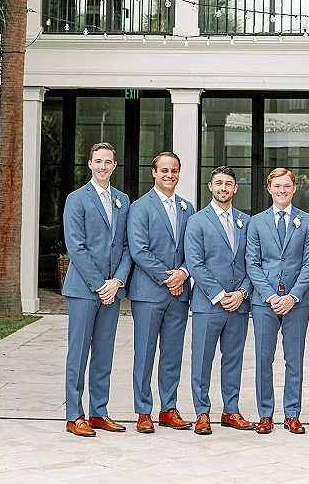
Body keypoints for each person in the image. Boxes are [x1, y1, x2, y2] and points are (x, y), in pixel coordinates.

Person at [62, 142, 131, 437]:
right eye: (98, 161)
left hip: (112, 291)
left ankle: (99, 412)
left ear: (114, 166)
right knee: (78, 354)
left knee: (104, 354)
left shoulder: (122, 200)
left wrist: (117, 281)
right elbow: (75, 247)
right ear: (90, 164)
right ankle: (74, 415)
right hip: (83, 289)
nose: (103, 166)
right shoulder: (76, 199)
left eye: (108, 162)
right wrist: (100, 284)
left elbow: (127, 245)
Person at [246, 168, 309, 434]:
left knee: (294, 359)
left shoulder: (307, 221)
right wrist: (271, 295)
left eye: (287, 186)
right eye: (277, 186)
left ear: (294, 188)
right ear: (269, 189)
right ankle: (265, 414)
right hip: (264, 302)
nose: (282, 190)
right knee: (263, 359)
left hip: (297, 302)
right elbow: (252, 263)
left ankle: (292, 414)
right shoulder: (256, 222)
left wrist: (292, 296)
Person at [127, 152, 194, 434]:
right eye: (164, 170)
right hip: (149, 293)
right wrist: (169, 278)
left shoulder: (187, 207)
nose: (169, 175)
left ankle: (168, 409)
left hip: (179, 294)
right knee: (144, 353)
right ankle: (144, 411)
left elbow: (193, 247)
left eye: (174, 170)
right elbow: (139, 250)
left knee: (172, 354)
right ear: (154, 173)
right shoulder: (140, 207)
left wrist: (184, 273)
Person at [185, 166, 254, 435]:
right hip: (208, 304)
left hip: (238, 304)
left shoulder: (246, 221)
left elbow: (253, 263)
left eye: (228, 184)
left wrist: (241, 293)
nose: (223, 188)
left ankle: (231, 410)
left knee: (233, 359)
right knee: (202, 360)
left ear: (235, 188)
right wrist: (218, 295)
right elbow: (195, 263)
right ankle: (202, 412)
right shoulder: (197, 221)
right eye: (219, 183)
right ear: (210, 187)